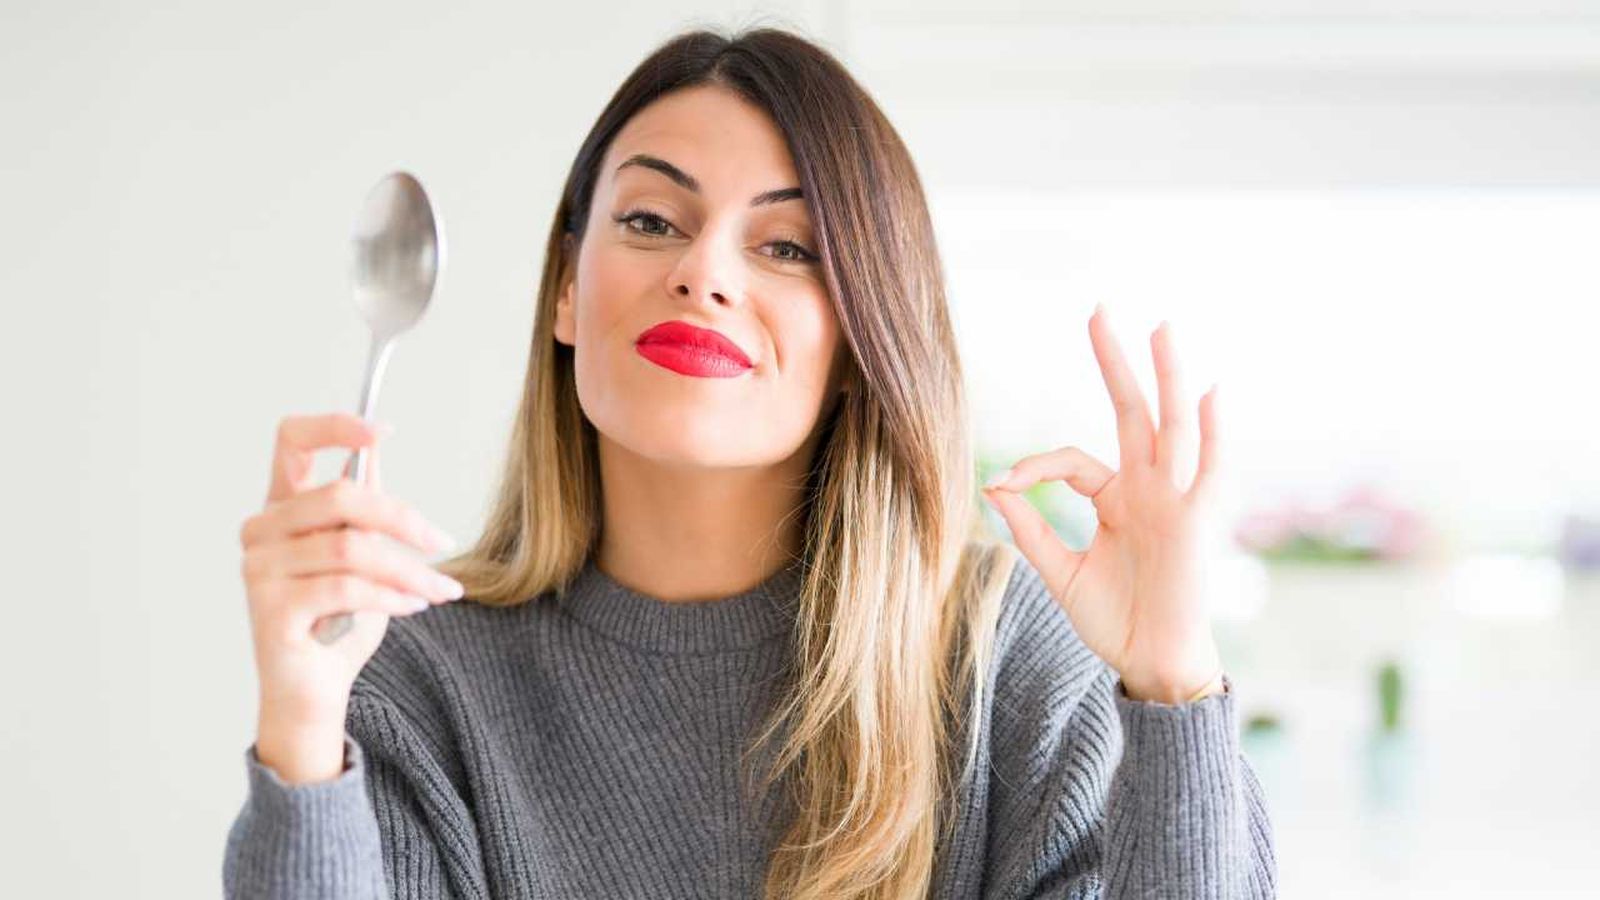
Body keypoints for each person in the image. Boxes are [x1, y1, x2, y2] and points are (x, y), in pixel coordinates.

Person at [224, 25, 1277, 900]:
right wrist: (304, 732)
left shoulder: (1001, 659)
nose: (703, 272)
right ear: (566, 290)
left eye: (785, 246)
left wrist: (1173, 683)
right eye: (651, 220)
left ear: (862, 342)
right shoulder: (418, 683)